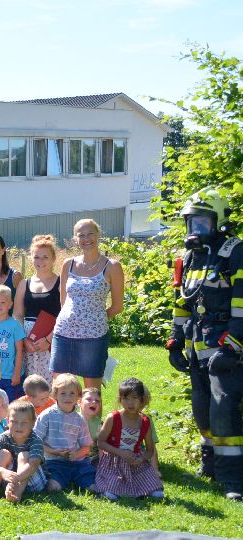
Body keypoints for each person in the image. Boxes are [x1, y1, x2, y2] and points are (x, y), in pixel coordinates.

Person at [167, 188, 243, 501]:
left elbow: (241, 304)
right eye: (191, 222)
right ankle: (210, 466)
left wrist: (233, 345)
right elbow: (182, 301)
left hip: (226, 349)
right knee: (202, 410)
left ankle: (232, 479)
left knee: (223, 411)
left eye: (202, 222)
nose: (195, 228)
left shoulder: (235, 252)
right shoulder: (190, 256)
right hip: (197, 347)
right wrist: (175, 340)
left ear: (219, 221)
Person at [52, 218, 125, 390]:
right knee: (60, 388)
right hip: (64, 333)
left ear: (98, 235)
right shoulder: (68, 264)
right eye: (81, 235)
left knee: (91, 393)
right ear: (75, 239)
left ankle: (89, 412)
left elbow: (117, 307)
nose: (86, 239)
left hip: (93, 337)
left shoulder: (112, 266)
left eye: (90, 233)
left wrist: (94, 319)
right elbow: (63, 301)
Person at [96, 378, 164, 501]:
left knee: (157, 492)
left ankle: (138, 488)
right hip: (113, 463)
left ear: (142, 399)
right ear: (120, 399)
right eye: (125, 398)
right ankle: (112, 490)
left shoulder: (145, 421)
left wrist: (141, 459)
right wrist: (120, 453)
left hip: (135, 463)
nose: (130, 403)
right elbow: (100, 442)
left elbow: (150, 450)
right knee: (111, 494)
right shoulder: (113, 418)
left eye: (135, 398)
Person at [34, 374, 95, 493]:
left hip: (77, 463)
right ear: (55, 394)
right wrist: (54, 451)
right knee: (53, 488)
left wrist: (76, 454)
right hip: (54, 461)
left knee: (93, 488)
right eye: (63, 393)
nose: (68, 397)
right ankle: (61, 479)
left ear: (78, 396)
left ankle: (78, 478)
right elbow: (36, 441)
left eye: (72, 393)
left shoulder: (79, 419)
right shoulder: (47, 416)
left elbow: (86, 446)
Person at [14, 234, 61, 382]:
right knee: (31, 382)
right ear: (31, 258)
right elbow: (18, 314)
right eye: (36, 257)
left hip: (52, 339)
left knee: (53, 382)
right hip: (29, 341)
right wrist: (23, 339)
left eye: (45, 257)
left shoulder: (61, 283)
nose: (40, 261)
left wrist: (48, 339)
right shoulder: (24, 284)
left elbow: (66, 315)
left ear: (53, 258)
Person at [0, 400, 51, 503]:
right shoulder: (2, 438)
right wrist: (1, 471)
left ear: (33, 423)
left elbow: (33, 465)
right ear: (7, 421)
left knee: (24, 455)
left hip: (33, 481)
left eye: (24, 423)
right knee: (3, 453)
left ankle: (17, 494)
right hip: (8, 478)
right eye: (14, 422)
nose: (19, 426)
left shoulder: (35, 440)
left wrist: (16, 479)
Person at [0, 285, 26, 402]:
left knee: (9, 404)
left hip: (10, 375)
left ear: (10, 304)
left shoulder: (15, 325)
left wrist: (16, 373)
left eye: (2, 302)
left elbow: (19, 350)